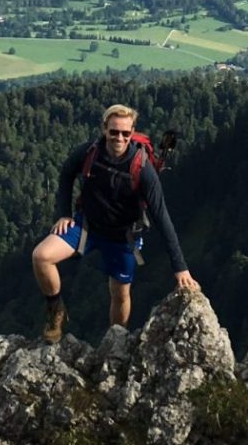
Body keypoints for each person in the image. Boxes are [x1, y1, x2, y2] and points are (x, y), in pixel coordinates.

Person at [31, 103, 200, 344]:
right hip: (87, 226)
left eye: (125, 133)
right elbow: (67, 173)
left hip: (123, 237)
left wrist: (180, 267)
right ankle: (55, 312)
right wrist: (63, 214)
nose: (119, 137)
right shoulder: (89, 152)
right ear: (104, 129)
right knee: (41, 256)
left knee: (120, 294)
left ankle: (114, 342)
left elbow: (162, 217)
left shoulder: (143, 169)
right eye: (114, 132)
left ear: (132, 133)